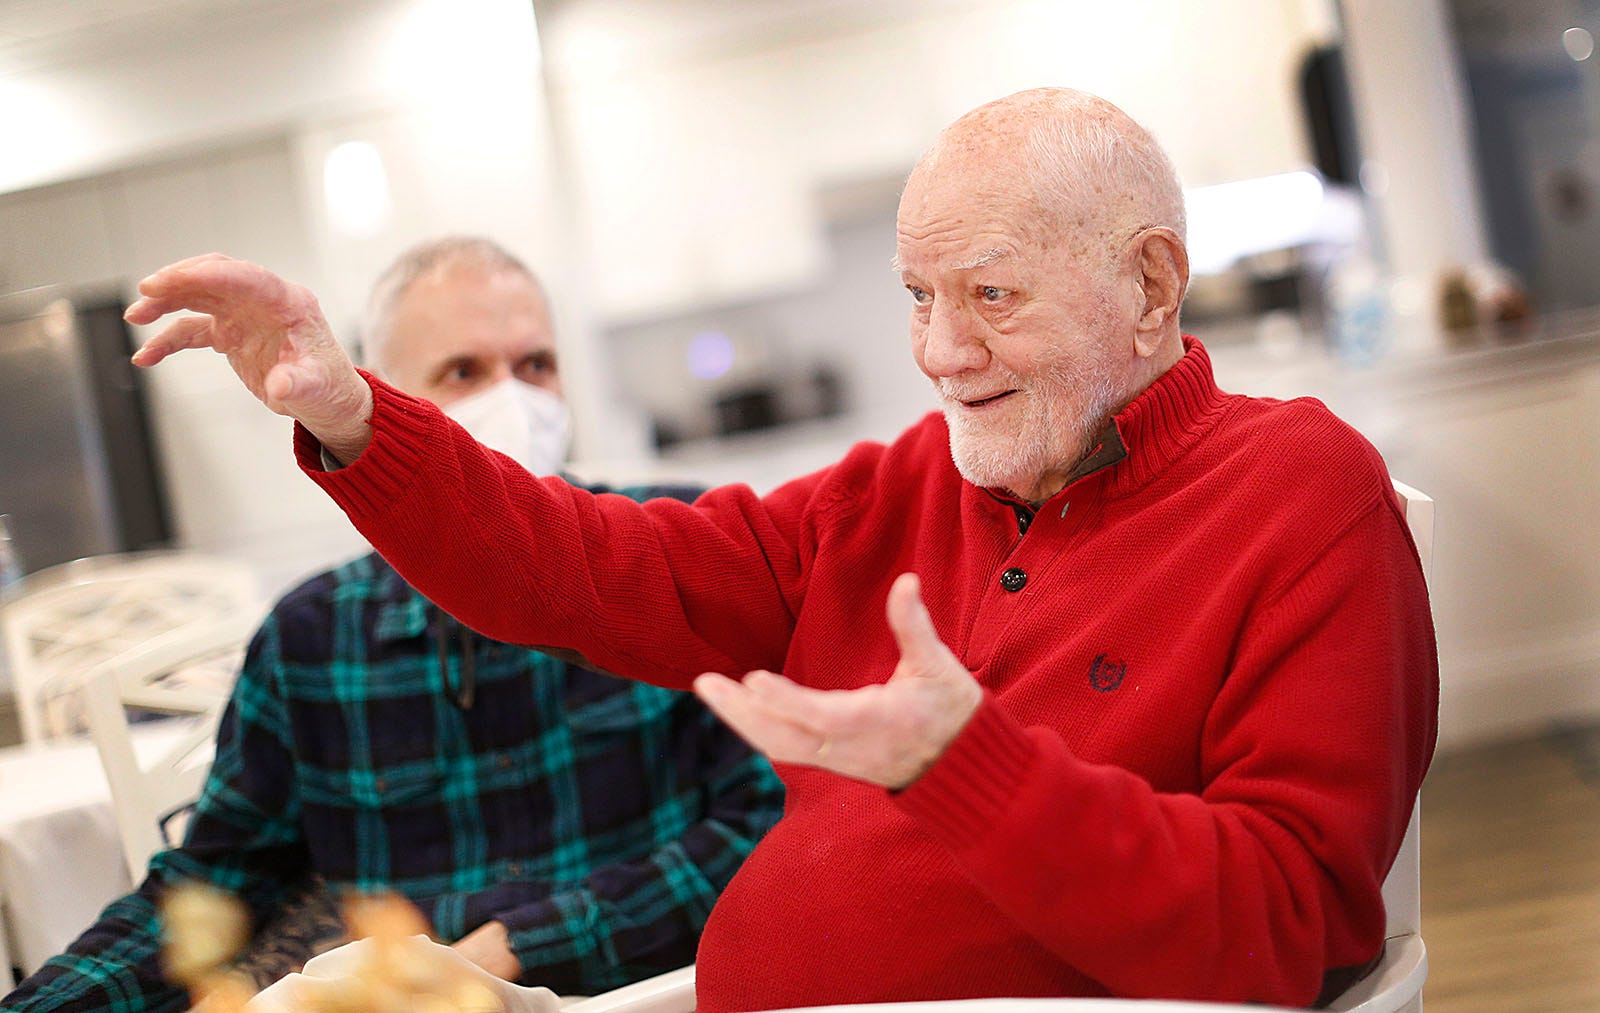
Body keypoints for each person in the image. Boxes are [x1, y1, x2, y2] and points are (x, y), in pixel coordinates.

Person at [120, 89, 1439, 1010]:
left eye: (990, 294)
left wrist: (965, 767)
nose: (940, 352)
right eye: (919, 299)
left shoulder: (1301, 494)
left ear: (1152, 285)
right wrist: (357, 417)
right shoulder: (899, 491)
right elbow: (585, 563)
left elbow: (1289, 925)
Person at [3, 237, 785, 1013]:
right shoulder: (314, 636)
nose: (514, 398)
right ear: (380, 398)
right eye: (464, 371)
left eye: (537, 365)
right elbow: (209, 890)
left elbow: (773, 820)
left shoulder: (673, 549)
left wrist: (507, 949)